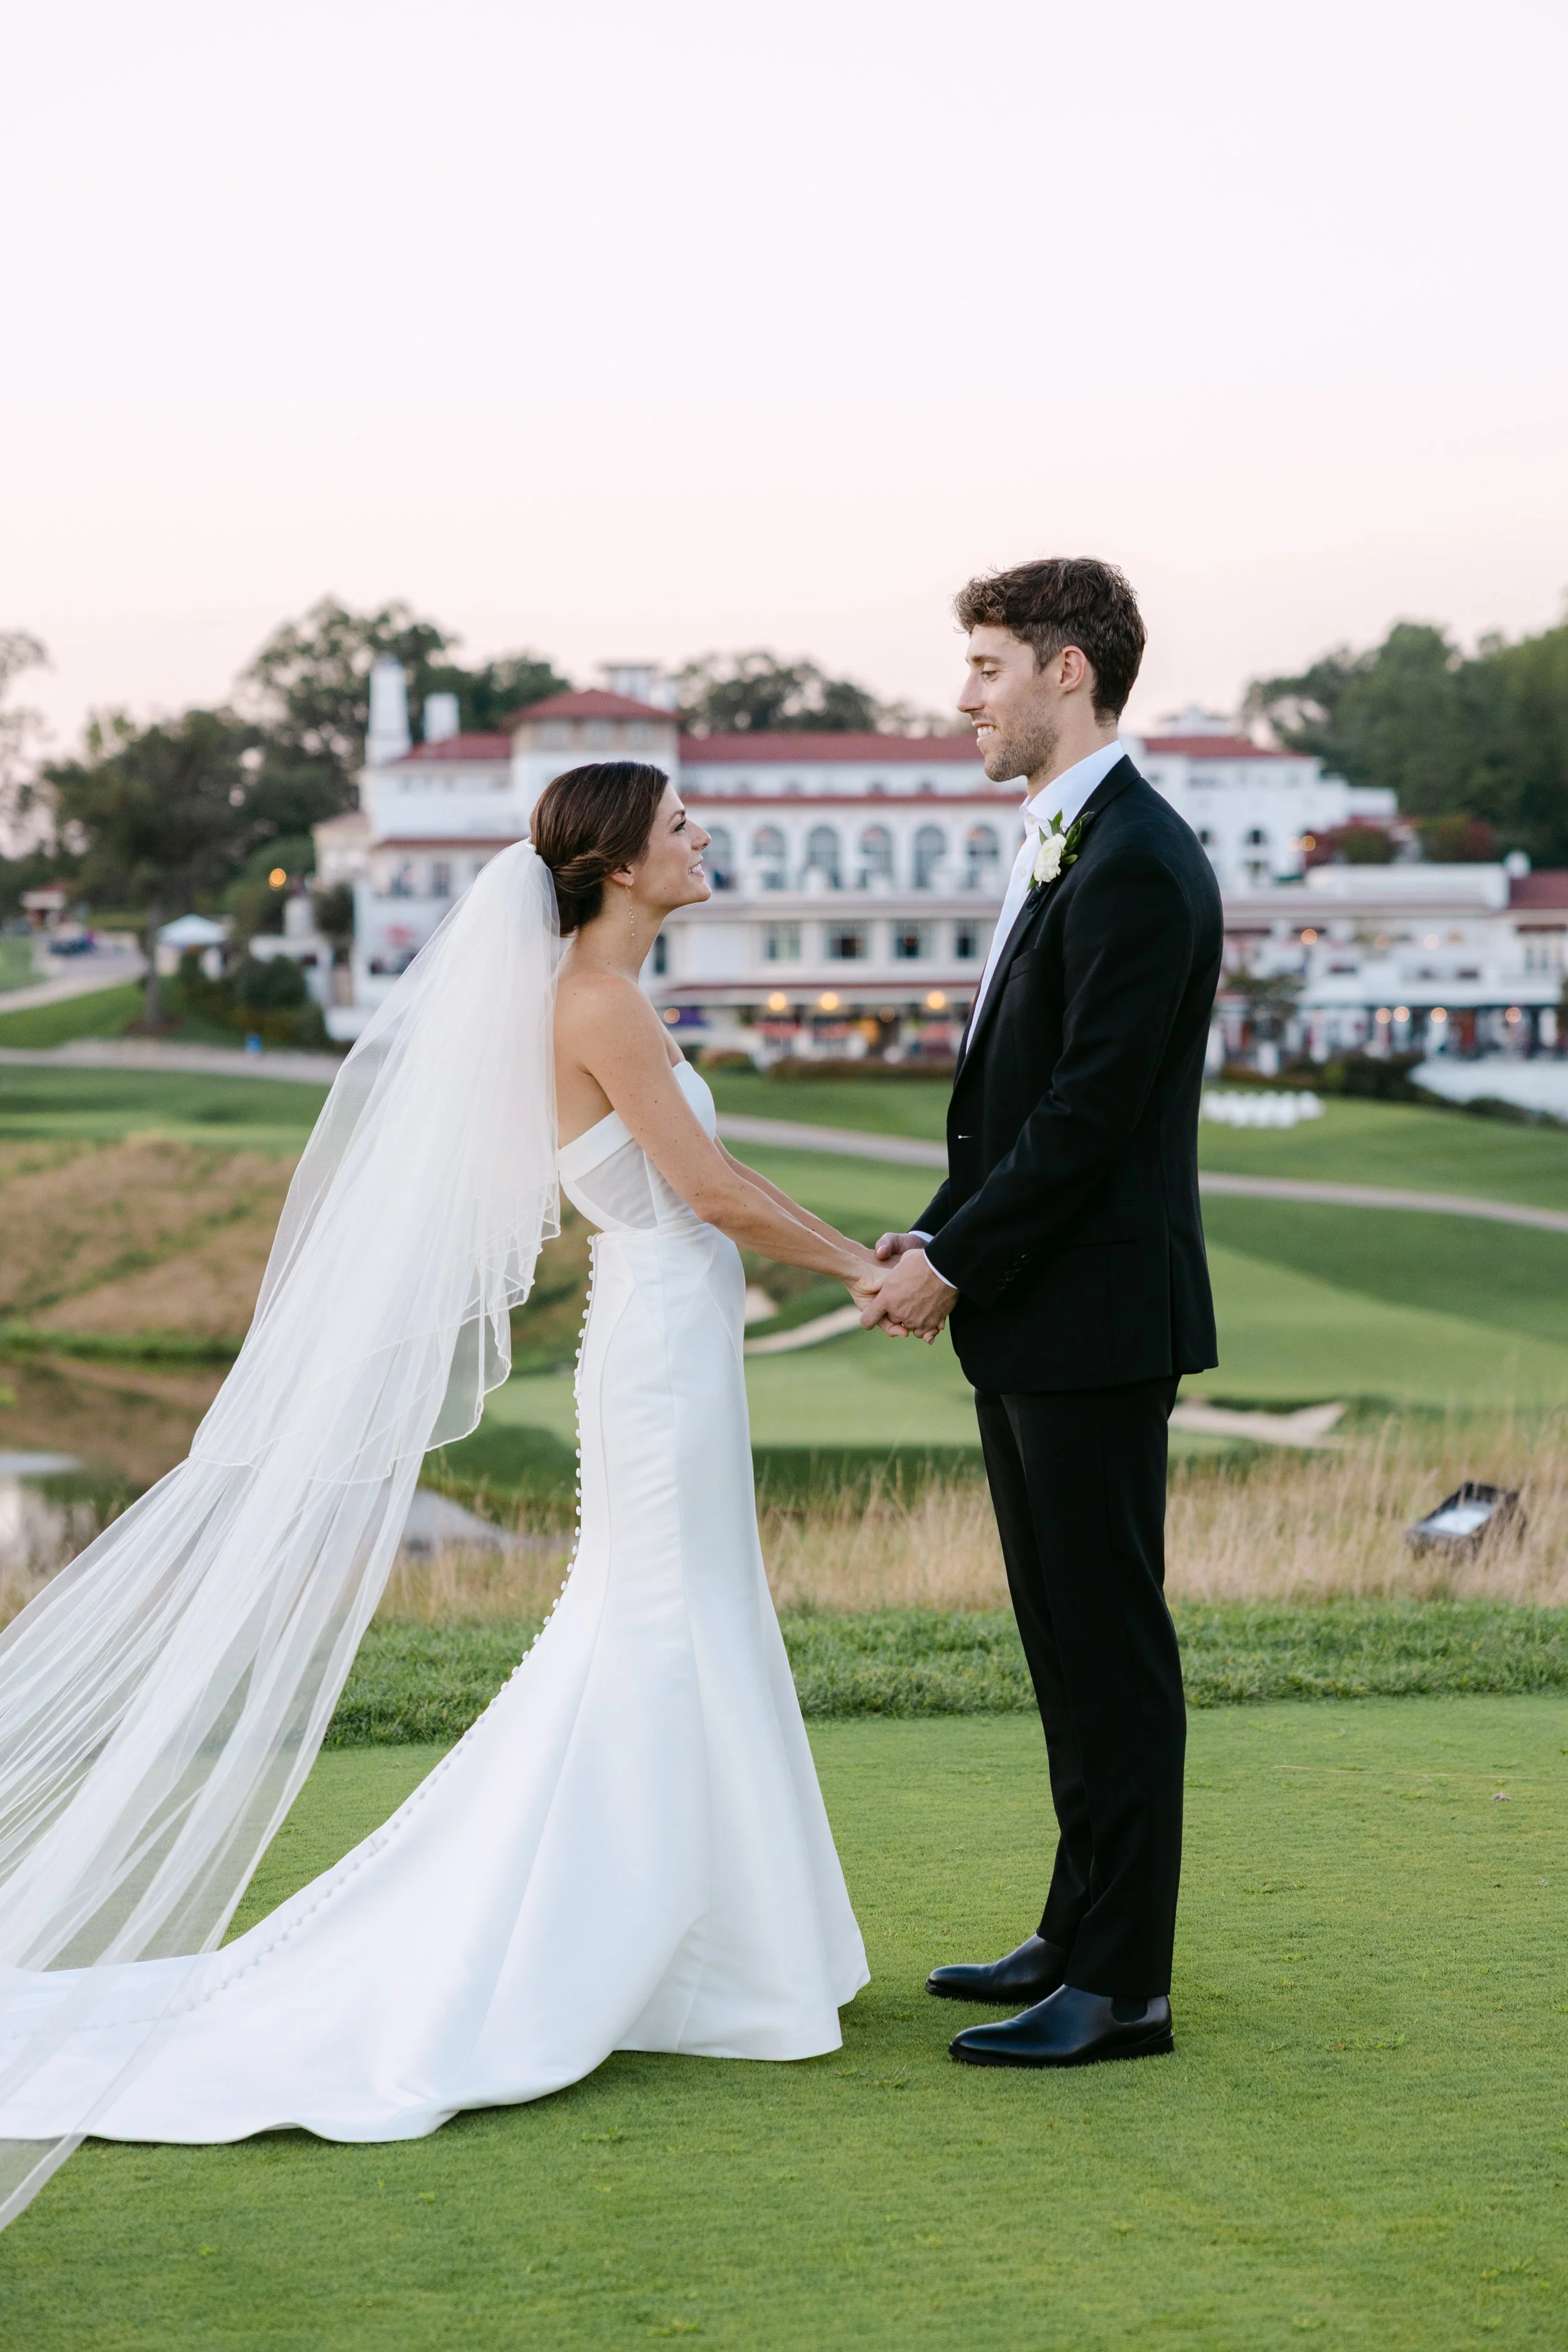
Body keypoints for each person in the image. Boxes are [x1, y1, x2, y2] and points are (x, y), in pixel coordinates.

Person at [0, 762, 874, 2228]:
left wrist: (863, 1245)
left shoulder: (611, 997)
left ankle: (727, 1949)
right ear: (611, 862)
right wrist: (864, 1266)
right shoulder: (595, 1003)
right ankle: (663, 1953)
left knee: (689, 1616)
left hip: (671, 1337)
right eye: (676, 825)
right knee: (656, 1623)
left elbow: (712, 1180)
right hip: (657, 1347)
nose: (700, 838)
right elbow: (707, 1189)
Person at [861, 558, 1222, 2068]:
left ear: (1066, 671)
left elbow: (1085, 1116)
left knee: (1109, 1647)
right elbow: (1022, 1106)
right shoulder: (1069, 841)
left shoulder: (1135, 854)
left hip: (1090, 1317)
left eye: (988, 664)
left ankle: (1121, 1985)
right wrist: (942, 1228)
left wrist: (952, 1262)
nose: (966, 696)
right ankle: (1073, 1926)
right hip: (1041, 1310)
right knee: (1060, 1638)